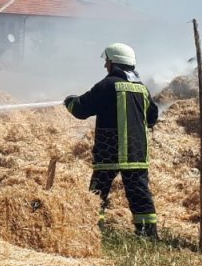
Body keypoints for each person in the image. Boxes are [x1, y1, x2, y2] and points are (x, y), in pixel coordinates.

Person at [65, 42, 160, 239]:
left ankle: (92, 230)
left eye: (106, 61)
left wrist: (69, 101)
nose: (105, 65)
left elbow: (81, 109)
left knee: (98, 192)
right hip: (136, 151)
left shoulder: (107, 85)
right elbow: (153, 117)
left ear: (114, 62)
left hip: (109, 149)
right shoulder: (141, 89)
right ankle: (148, 234)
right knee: (139, 192)